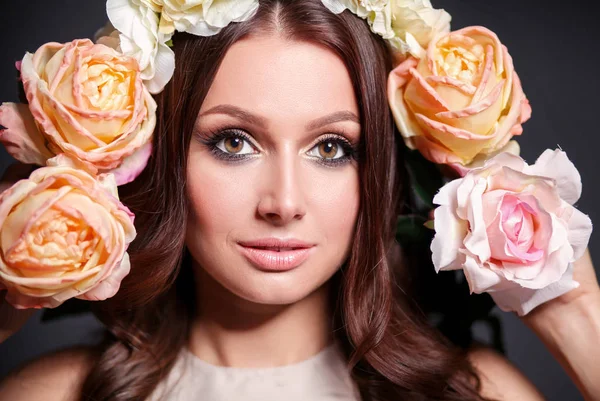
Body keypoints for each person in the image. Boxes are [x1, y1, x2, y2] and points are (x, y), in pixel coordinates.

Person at [0, 1, 599, 400]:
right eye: (233, 142)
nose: (284, 203)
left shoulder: (476, 393)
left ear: (383, 170)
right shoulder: (52, 395)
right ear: (159, 155)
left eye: (333, 148)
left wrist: (574, 313)